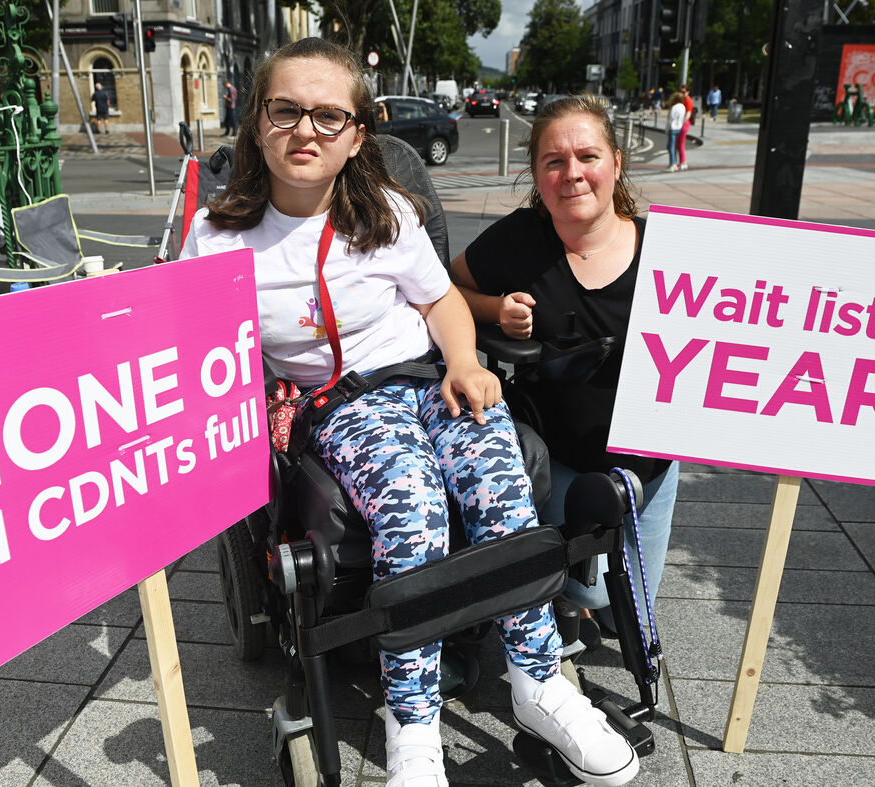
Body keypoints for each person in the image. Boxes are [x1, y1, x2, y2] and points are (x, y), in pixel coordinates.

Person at [180, 38, 639, 787]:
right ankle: (413, 721)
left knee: (502, 484)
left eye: (329, 116)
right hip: (343, 402)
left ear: (358, 133)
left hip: (429, 378)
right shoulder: (218, 239)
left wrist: (463, 360)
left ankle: (538, 678)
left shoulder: (386, 212)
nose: (306, 131)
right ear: (257, 123)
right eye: (286, 110)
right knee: (415, 507)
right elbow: (191, 351)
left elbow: (442, 301)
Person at [450, 93, 679, 646]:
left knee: (627, 610)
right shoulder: (521, 238)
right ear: (536, 174)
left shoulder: (667, 248)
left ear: (616, 164)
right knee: (586, 594)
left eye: (588, 156)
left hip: (652, 464)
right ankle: (562, 602)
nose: (572, 173)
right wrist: (494, 308)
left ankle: (580, 604)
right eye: (554, 161)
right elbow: (445, 290)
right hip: (560, 459)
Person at [666, 91, 686, 172]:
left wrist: (667, 128)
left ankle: (672, 164)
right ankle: (674, 162)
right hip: (679, 128)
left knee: (671, 147)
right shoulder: (683, 107)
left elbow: (671, 119)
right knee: (675, 146)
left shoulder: (674, 107)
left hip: (673, 128)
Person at [679, 84, 693, 170]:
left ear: (688, 92)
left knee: (680, 144)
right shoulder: (682, 100)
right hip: (682, 123)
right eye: (681, 92)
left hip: (684, 124)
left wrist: (681, 124)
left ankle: (683, 163)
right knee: (678, 144)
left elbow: (688, 113)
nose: (682, 93)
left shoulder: (688, 100)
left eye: (683, 92)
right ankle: (682, 162)